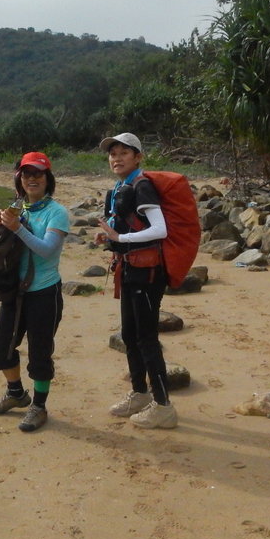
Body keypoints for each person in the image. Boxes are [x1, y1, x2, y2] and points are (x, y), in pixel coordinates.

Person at [95, 132, 177, 429]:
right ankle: (140, 393)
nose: (116, 158)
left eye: (123, 153)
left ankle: (164, 406)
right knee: (130, 335)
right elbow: (128, 228)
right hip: (129, 268)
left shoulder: (141, 186)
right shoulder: (121, 187)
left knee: (146, 338)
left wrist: (120, 238)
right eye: (112, 153)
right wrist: (110, 237)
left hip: (147, 273)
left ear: (138, 157)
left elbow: (160, 229)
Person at [0, 151, 69, 431]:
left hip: (44, 293)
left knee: (40, 354)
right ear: (19, 178)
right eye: (27, 174)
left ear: (47, 178)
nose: (32, 179)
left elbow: (47, 249)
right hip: (15, 293)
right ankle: (17, 393)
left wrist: (18, 228)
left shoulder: (57, 213)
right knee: (1, 348)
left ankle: (39, 407)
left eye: (38, 174)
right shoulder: (17, 207)